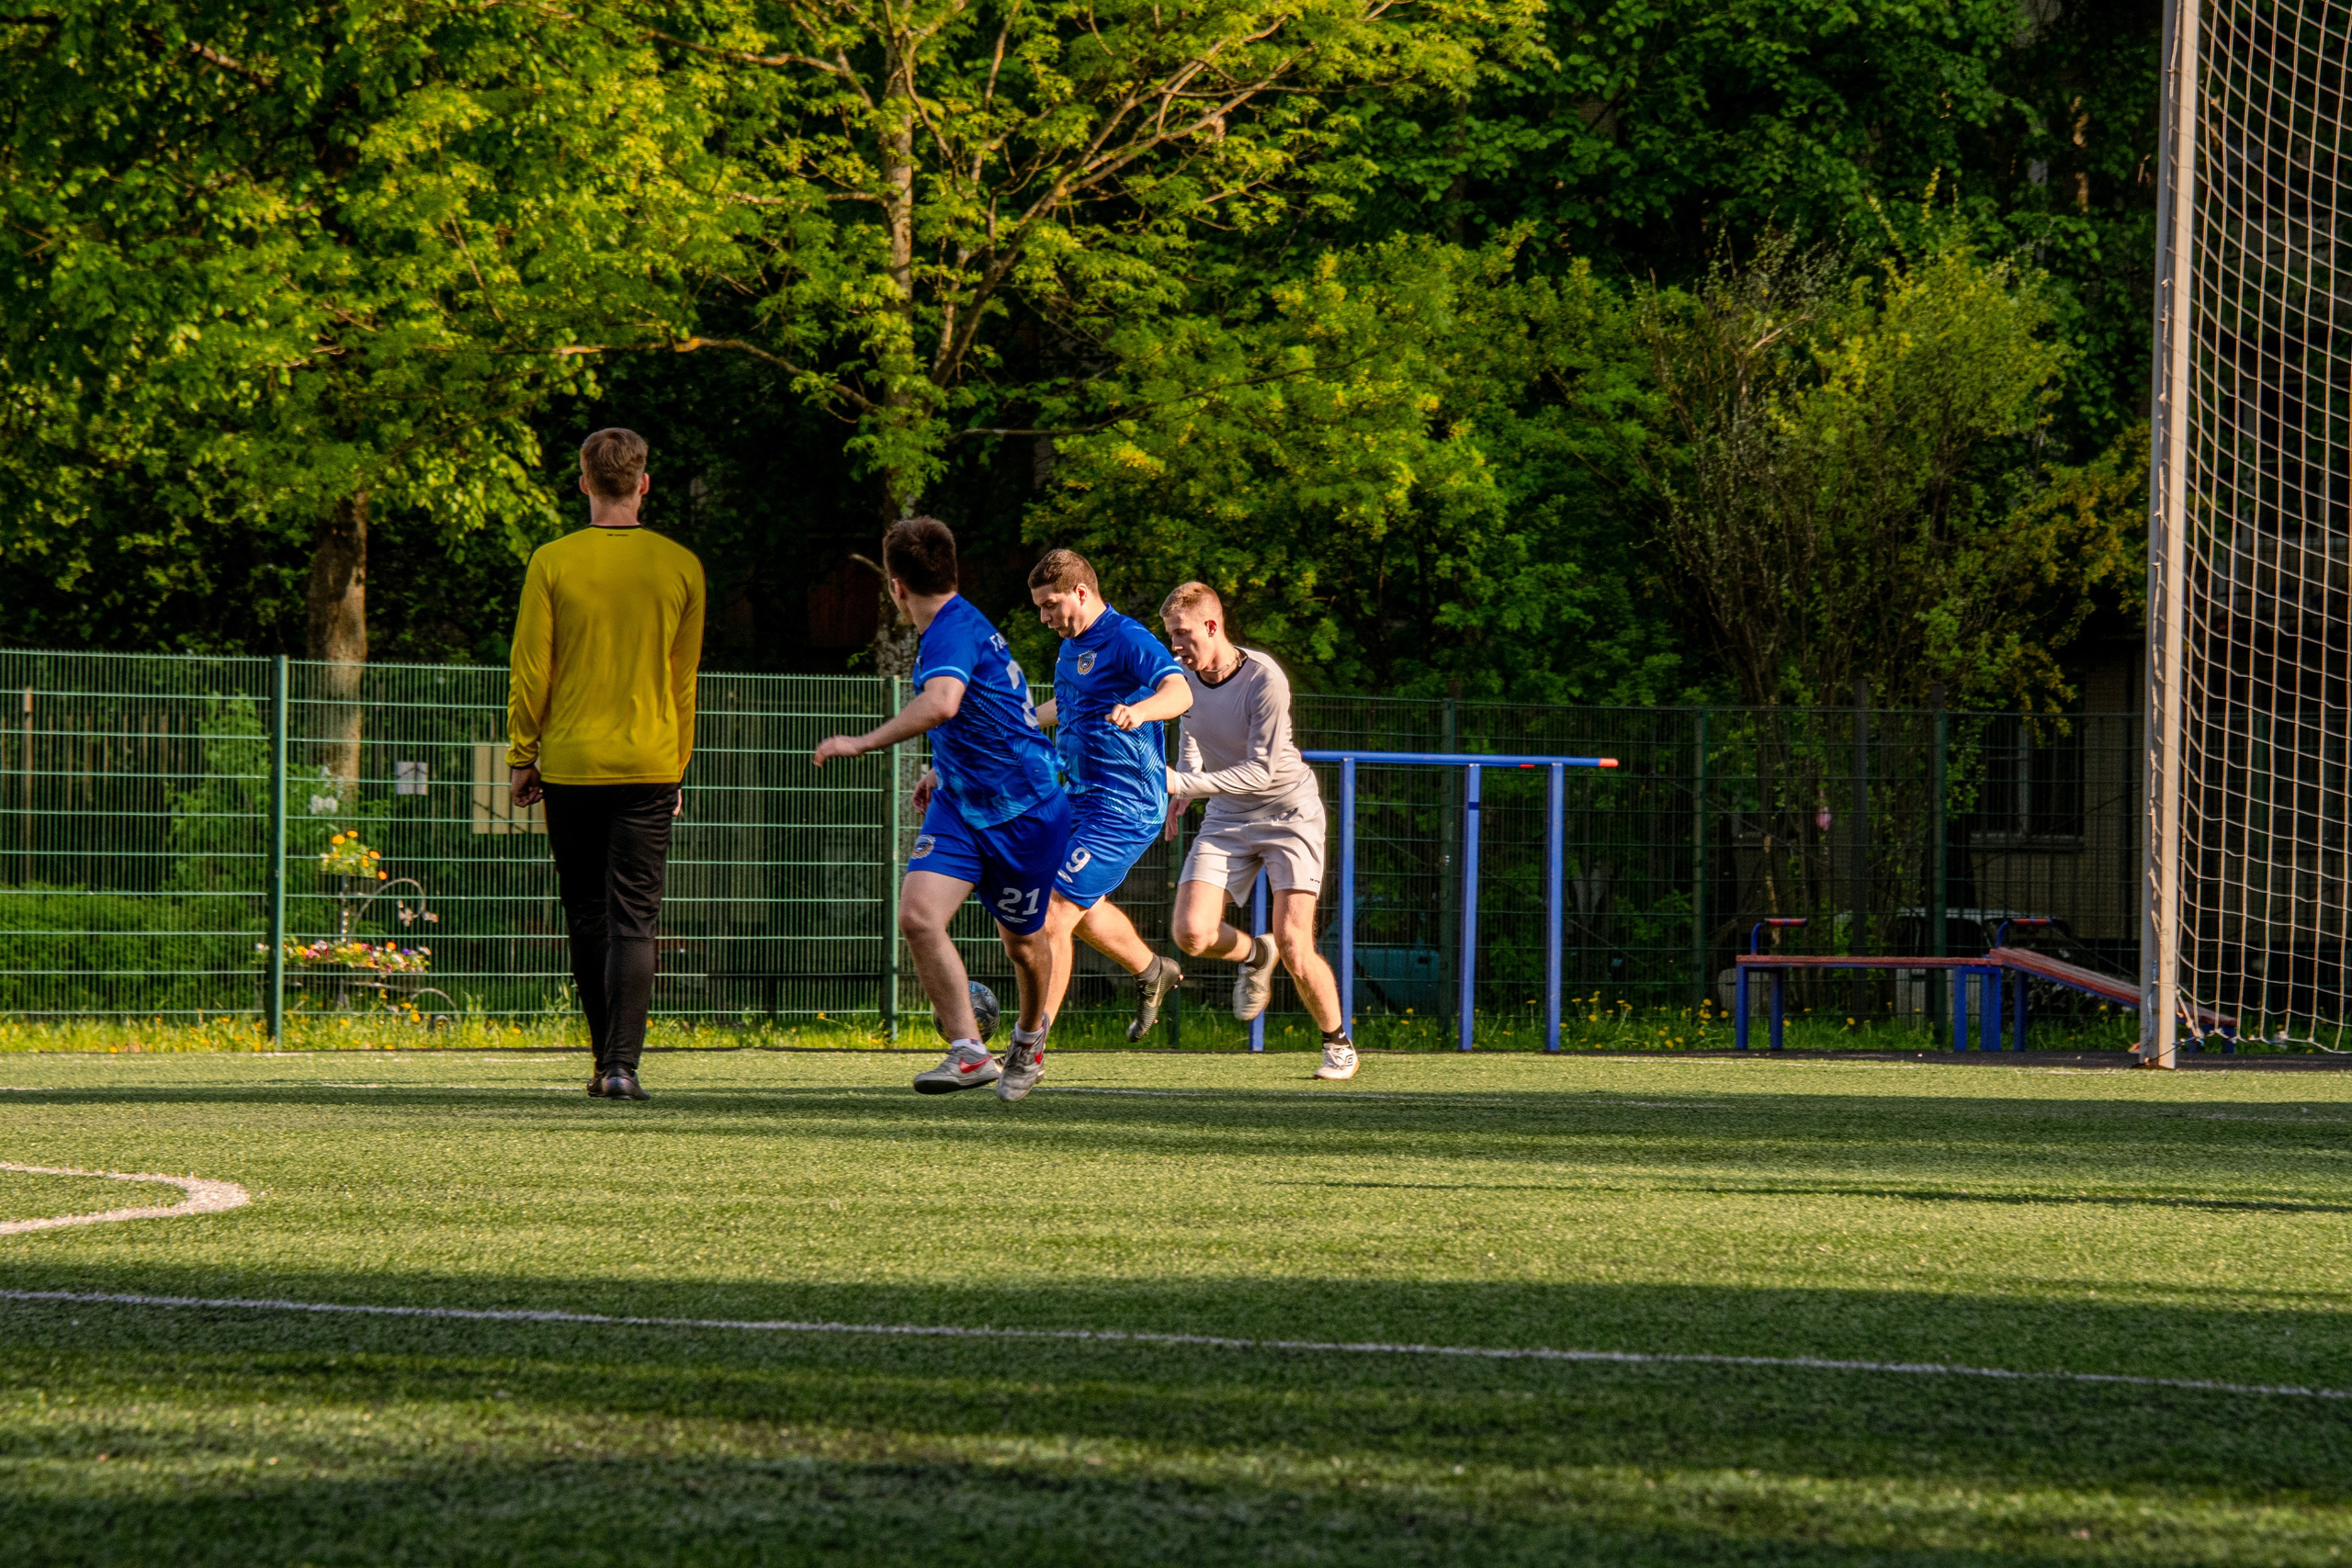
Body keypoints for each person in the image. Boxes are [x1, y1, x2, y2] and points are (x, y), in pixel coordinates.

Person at [811, 517, 1066, 1103]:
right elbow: (991, 712)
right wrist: (942, 768)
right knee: (919, 916)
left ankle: (1029, 1037)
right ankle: (970, 1053)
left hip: (1024, 812)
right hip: (961, 803)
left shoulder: (952, 631)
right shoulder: (960, 626)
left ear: (895, 588)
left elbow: (944, 703)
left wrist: (861, 741)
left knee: (1024, 944)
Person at [508, 427, 706, 1102]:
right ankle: (623, 1066)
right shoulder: (682, 566)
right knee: (636, 918)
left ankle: (603, 1060)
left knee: (587, 914)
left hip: (570, 764)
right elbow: (684, 682)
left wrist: (521, 754)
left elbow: (532, 668)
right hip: (650, 763)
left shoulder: (551, 561)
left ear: (585, 481)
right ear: (643, 484)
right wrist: (676, 766)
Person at [1159, 581, 1357, 1080]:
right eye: (1170, 637)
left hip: (1289, 812)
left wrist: (1184, 782)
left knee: (1295, 941)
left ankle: (1337, 1044)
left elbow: (1261, 772)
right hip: (1227, 814)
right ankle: (1254, 952)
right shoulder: (1183, 677)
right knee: (1191, 933)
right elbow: (1190, 733)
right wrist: (1183, 792)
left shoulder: (1265, 678)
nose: (1176, 647)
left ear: (1212, 625)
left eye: (1183, 634)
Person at [1025, 549, 1193, 1042]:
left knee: (1054, 908)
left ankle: (1029, 1043)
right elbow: (1071, 703)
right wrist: (1019, 721)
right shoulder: (1070, 646)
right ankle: (1150, 969)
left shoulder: (1127, 637)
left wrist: (1142, 712)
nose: (1044, 618)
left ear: (1081, 592)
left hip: (1124, 806)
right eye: (1039, 608)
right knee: (1061, 900)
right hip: (1077, 800)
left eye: (1050, 604)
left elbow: (1179, 692)